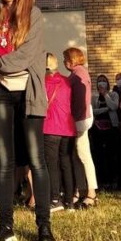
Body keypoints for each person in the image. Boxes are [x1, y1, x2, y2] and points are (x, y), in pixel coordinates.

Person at [0, 0, 54, 241]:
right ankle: (5, 227)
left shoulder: (34, 14)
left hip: (27, 93)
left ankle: (44, 228)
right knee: (4, 162)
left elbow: (28, 55)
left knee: (36, 160)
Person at [43, 53, 77, 211]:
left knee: (52, 165)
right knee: (66, 163)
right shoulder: (66, 81)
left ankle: (55, 199)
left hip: (51, 127)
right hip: (68, 127)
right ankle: (69, 201)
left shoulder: (44, 81)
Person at [63, 48, 97, 207]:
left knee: (83, 155)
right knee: (77, 156)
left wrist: (76, 119)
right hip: (79, 119)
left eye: (65, 59)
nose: (64, 62)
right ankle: (82, 190)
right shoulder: (79, 73)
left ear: (71, 60)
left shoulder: (77, 75)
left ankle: (91, 192)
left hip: (78, 120)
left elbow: (80, 101)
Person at [90, 73, 121, 190]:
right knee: (99, 155)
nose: (101, 82)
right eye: (99, 81)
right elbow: (93, 111)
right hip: (98, 128)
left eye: (104, 80)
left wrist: (105, 95)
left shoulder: (113, 94)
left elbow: (114, 107)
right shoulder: (94, 97)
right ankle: (102, 181)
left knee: (111, 154)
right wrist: (105, 109)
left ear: (107, 83)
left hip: (111, 128)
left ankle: (113, 180)